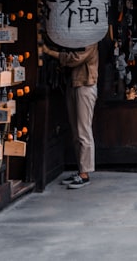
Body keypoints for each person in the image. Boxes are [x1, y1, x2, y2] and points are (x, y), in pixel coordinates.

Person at [42, 42, 99, 189]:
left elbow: (75, 58)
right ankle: (81, 170)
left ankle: (85, 174)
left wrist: (49, 52)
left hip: (85, 85)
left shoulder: (91, 40)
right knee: (76, 132)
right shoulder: (80, 38)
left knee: (83, 131)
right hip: (74, 84)